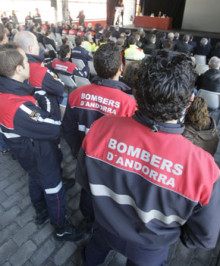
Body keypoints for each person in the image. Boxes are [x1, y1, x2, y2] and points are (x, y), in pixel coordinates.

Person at [76, 49, 220, 266]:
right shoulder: (204, 169)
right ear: (190, 99)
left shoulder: (100, 128)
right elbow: (203, 238)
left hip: (104, 227)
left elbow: (84, 181)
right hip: (150, 248)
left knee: (93, 253)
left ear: (136, 90)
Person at [0, 44, 85, 241]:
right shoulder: (18, 107)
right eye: (26, 61)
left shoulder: (8, 92)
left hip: (28, 155)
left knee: (34, 178)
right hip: (39, 156)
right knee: (55, 191)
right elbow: (54, 125)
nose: (30, 63)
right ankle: (61, 228)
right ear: (18, 70)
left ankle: (41, 212)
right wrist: (45, 99)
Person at [62, 43, 137, 222]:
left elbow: (68, 129)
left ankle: (86, 215)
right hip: (111, 168)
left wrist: (77, 151)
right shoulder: (130, 105)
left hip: (85, 157)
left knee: (88, 189)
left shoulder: (76, 95)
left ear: (94, 66)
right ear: (121, 68)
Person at [14, 31, 64, 118]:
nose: (38, 47)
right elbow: (60, 88)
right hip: (45, 118)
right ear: (30, 48)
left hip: (25, 115)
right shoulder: (40, 71)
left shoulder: (10, 68)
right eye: (37, 44)